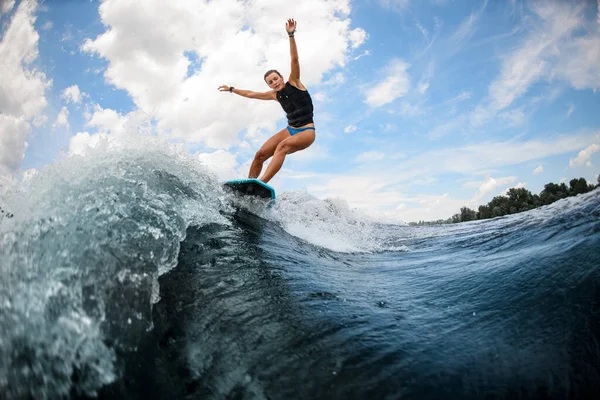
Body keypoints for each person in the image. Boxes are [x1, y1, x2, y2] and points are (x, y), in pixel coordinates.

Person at [218, 18, 315, 184]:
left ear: (282, 77)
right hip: (290, 129)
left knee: (282, 147)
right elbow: (251, 94)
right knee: (259, 155)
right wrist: (232, 89)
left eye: (276, 79)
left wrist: (291, 35)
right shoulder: (273, 95)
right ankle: (248, 186)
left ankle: (261, 184)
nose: (274, 83)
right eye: (270, 82)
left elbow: (294, 60)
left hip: (306, 132)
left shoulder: (295, 82)